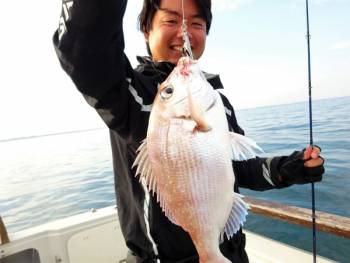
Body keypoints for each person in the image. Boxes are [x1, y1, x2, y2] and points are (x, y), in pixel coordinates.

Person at [53, 0, 325, 262]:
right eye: (171, 20)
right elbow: (84, 48)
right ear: (146, 31)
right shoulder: (128, 96)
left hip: (230, 254)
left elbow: (235, 169)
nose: (184, 32)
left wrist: (287, 169)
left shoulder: (217, 103)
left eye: (196, 23)